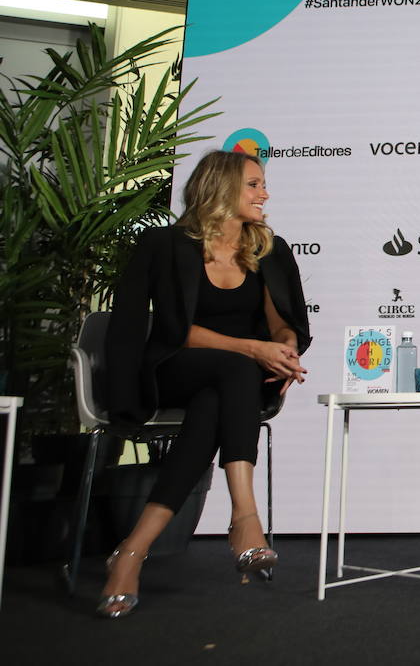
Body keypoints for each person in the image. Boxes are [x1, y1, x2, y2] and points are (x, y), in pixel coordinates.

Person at [96, 151, 311, 618]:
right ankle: (245, 518)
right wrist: (254, 350)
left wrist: (284, 349)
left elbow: (283, 323)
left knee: (214, 403)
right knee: (234, 368)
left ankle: (131, 551)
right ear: (221, 187)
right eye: (254, 185)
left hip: (230, 386)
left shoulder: (270, 248)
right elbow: (172, 331)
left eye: (263, 185)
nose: (265, 194)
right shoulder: (165, 245)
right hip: (171, 370)